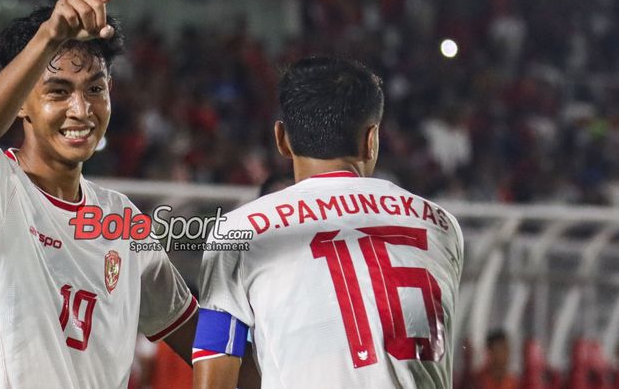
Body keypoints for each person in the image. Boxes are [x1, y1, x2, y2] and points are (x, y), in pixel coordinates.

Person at [0, 0, 197, 388]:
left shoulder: (122, 221)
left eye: (95, 89)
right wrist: (48, 37)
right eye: (58, 91)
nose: (81, 110)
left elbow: (197, 336)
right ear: (21, 100)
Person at [191, 56, 464, 388]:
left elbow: (214, 369)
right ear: (372, 139)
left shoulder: (239, 231)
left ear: (281, 139)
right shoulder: (440, 225)